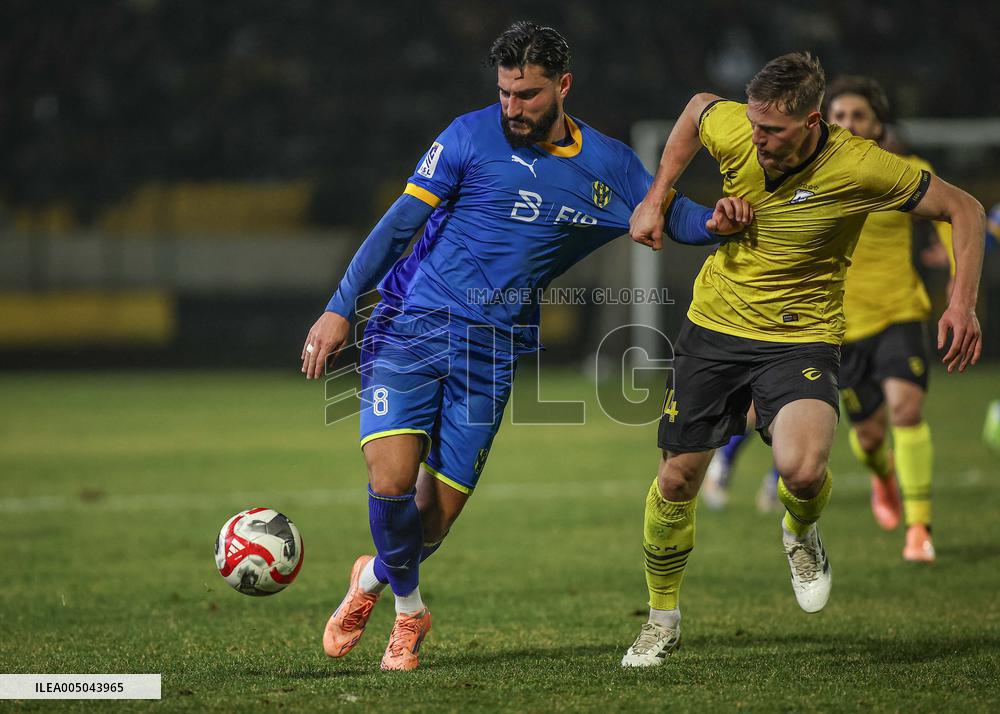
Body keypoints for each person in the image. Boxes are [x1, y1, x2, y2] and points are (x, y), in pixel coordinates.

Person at [300, 21, 752, 672]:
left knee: (434, 521)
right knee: (392, 482)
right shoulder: (467, 136)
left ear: (563, 86)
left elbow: (667, 211)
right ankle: (407, 615)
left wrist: (715, 222)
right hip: (413, 324)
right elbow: (400, 223)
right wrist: (339, 308)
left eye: (529, 95)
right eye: (506, 93)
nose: (513, 108)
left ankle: (374, 578)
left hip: (494, 351)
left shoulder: (608, 166)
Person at [621, 52, 985, 667]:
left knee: (804, 469)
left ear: (813, 121)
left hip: (803, 335)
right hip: (714, 327)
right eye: (755, 127)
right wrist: (659, 196)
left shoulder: (862, 165)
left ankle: (801, 533)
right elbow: (696, 110)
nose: (757, 140)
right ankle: (661, 620)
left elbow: (965, 209)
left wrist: (961, 305)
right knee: (677, 479)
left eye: (773, 132)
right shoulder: (738, 124)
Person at [826, 75, 955, 561]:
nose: (849, 124)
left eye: (859, 115)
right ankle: (883, 476)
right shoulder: (813, 177)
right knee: (870, 435)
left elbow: (951, 221)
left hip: (900, 310)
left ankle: (919, 528)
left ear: (879, 124)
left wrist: (958, 291)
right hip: (841, 323)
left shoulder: (909, 172)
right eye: (839, 115)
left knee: (907, 410)